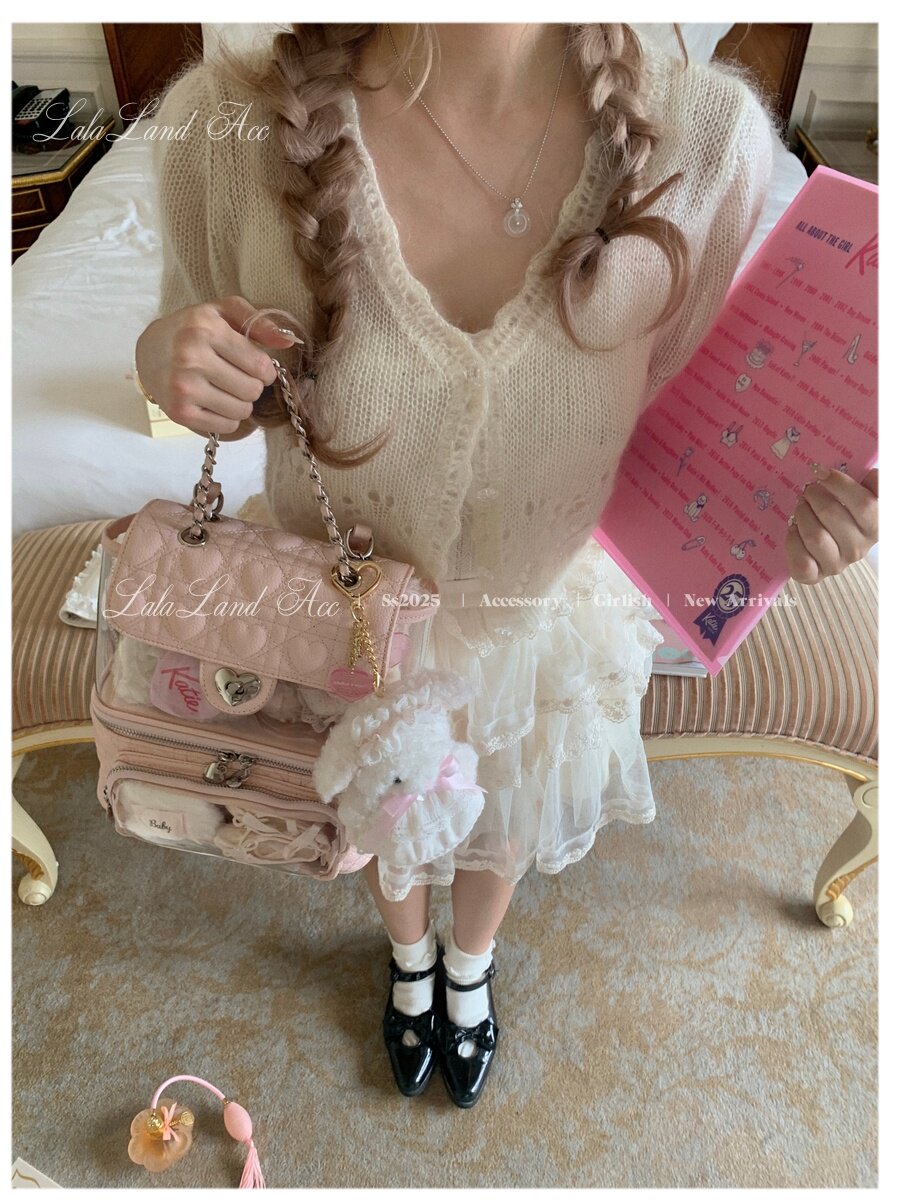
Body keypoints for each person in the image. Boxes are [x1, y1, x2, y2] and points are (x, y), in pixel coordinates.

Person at [134, 23, 879, 1109]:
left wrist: (795, 515)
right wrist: (167, 361)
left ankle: (469, 965)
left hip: (542, 611)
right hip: (342, 612)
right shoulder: (221, 126)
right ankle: (408, 958)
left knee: (509, 800)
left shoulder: (707, 138)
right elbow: (191, 383)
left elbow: (687, 420)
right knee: (382, 803)